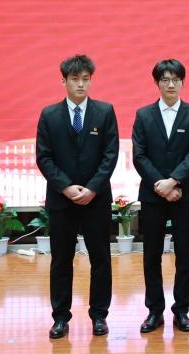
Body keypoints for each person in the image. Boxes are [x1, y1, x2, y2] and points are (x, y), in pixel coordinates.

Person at [35, 54, 119, 340]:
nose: (81, 84)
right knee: (61, 260)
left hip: (96, 199)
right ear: (64, 81)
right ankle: (60, 318)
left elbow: (110, 155)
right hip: (62, 200)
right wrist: (66, 187)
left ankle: (99, 315)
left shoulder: (104, 112)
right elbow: (44, 158)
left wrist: (92, 188)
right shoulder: (49, 115)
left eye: (85, 79)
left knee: (100, 259)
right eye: (75, 79)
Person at [131, 59, 189, 333]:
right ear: (157, 83)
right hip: (153, 196)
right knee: (151, 255)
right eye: (165, 80)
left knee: (184, 254)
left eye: (175, 79)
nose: (171, 84)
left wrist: (173, 181)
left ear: (182, 82)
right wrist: (159, 184)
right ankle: (154, 311)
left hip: (183, 194)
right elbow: (139, 155)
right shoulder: (143, 115)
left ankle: (181, 311)